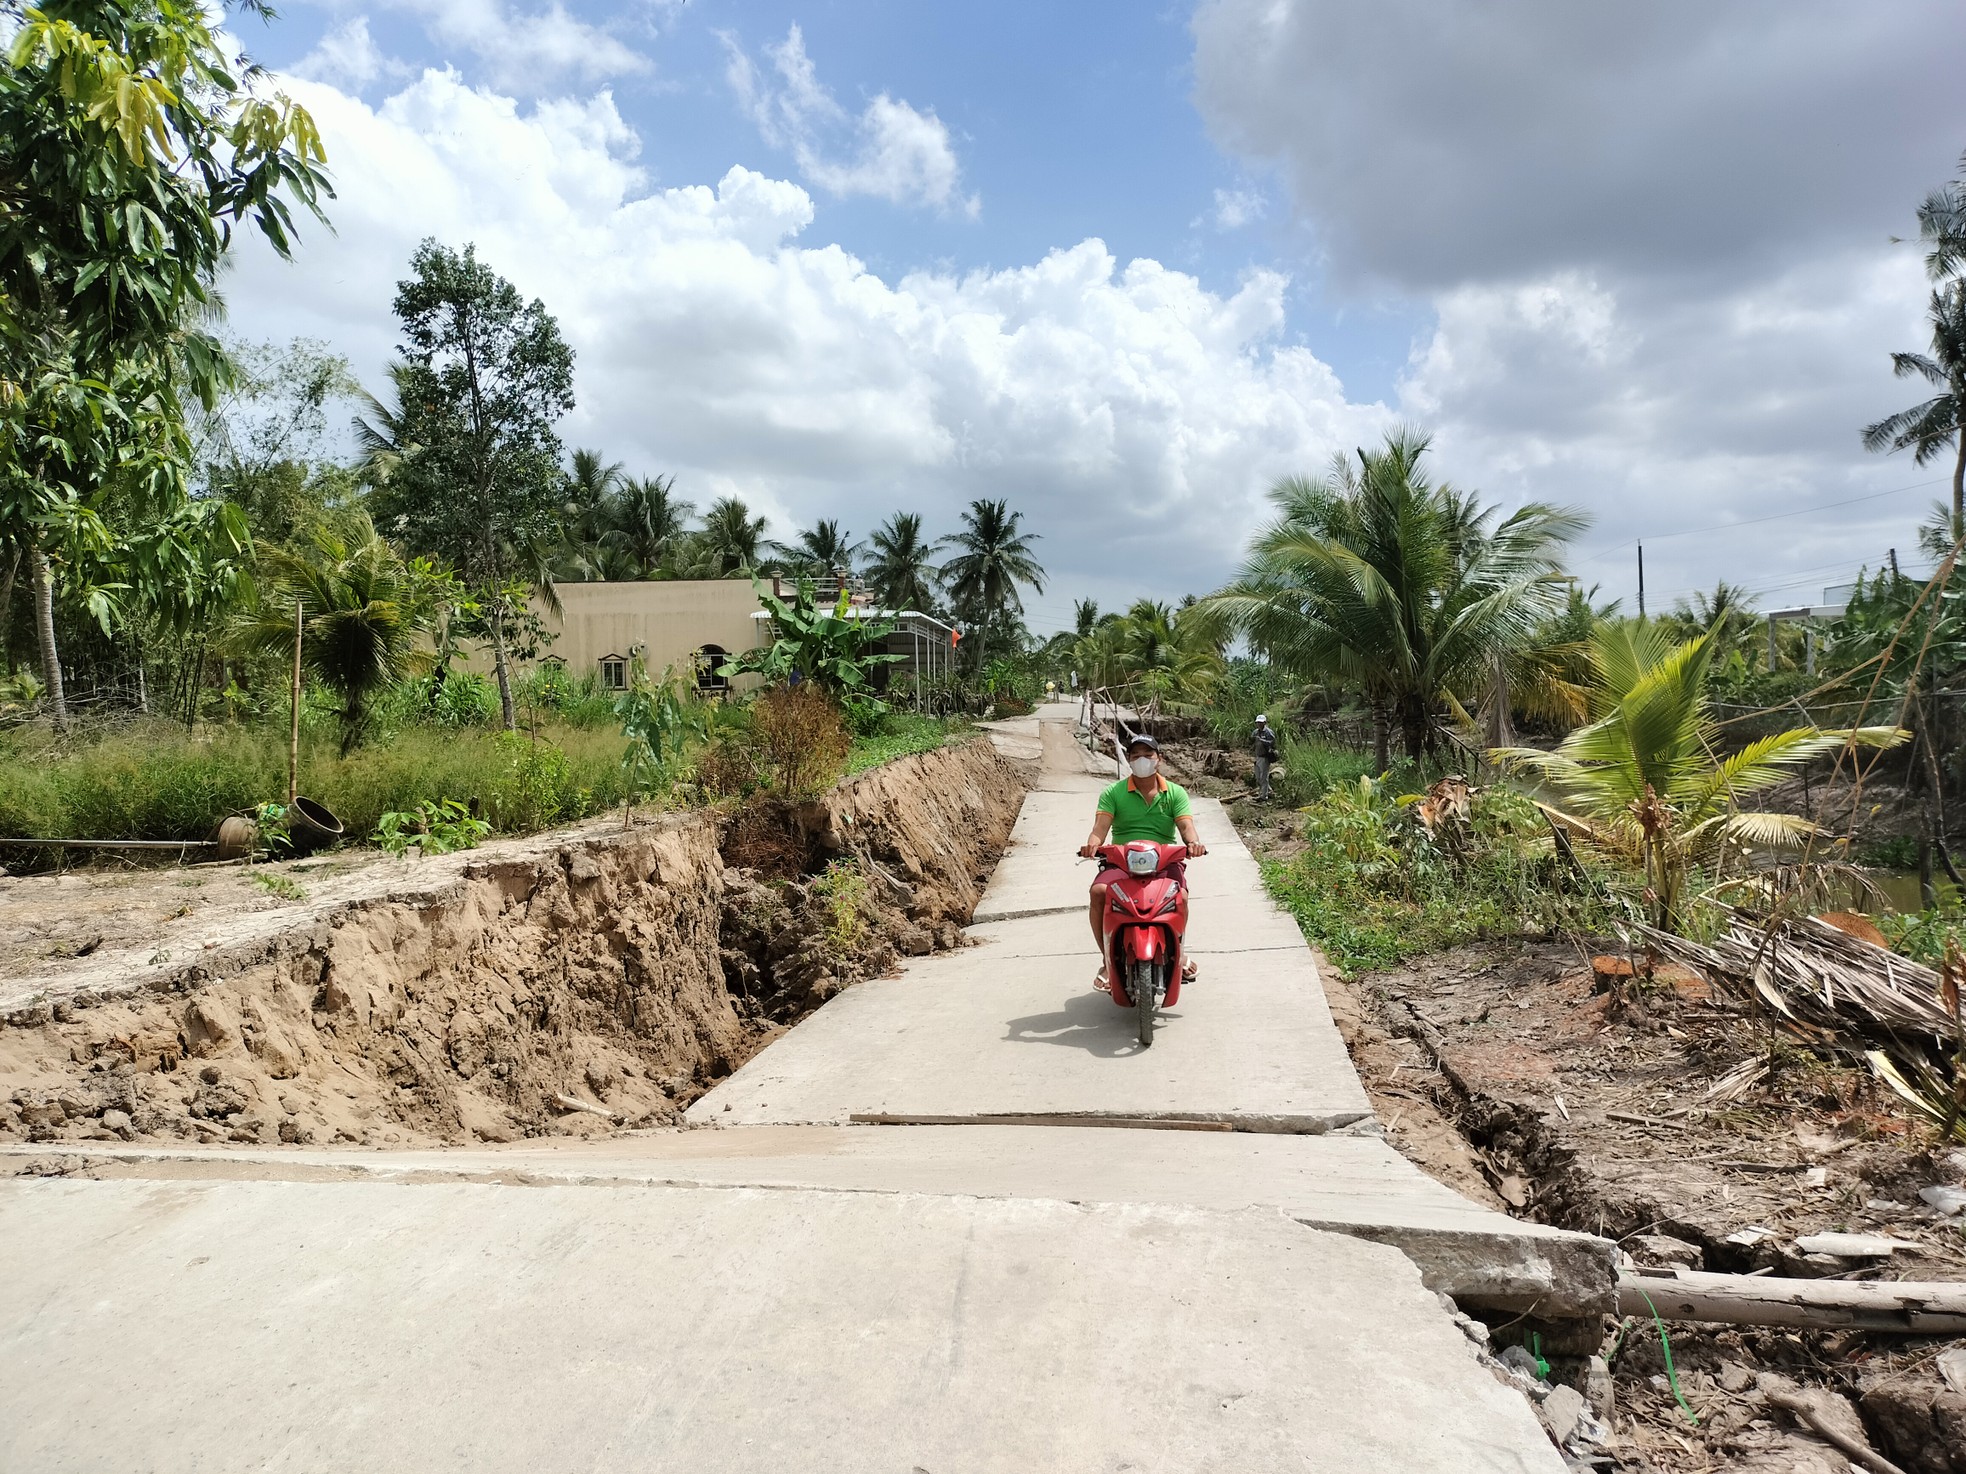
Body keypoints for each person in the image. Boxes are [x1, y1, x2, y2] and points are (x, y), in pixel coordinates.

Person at [1078, 734, 1207, 991]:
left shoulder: (1175, 793)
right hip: (1121, 860)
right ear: (1129, 760)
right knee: (1098, 893)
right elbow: (1099, 829)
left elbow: (1186, 826)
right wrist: (1092, 844)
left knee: (1180, 895)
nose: (1142, 760)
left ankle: (1179, 952)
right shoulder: (1113, 793)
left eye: (1148, 755)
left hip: (1164, 860)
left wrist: (1193, 843)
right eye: (1136, 756)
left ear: (1159, 759)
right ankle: (1107, 959)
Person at [1252, 714, 1279, 801]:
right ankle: (1268, 791)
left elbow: (1272, 742)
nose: (1259, 724)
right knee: (1258, 777)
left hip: (1265, 757)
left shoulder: (1268, 732)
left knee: (1263, 777)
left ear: (1265, 723)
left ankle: (1264, 796)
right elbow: (1252, 741)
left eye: (1261, 722)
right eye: (1258, 723)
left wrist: (1262, 740)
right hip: (1257, 756)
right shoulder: (1256, 732)